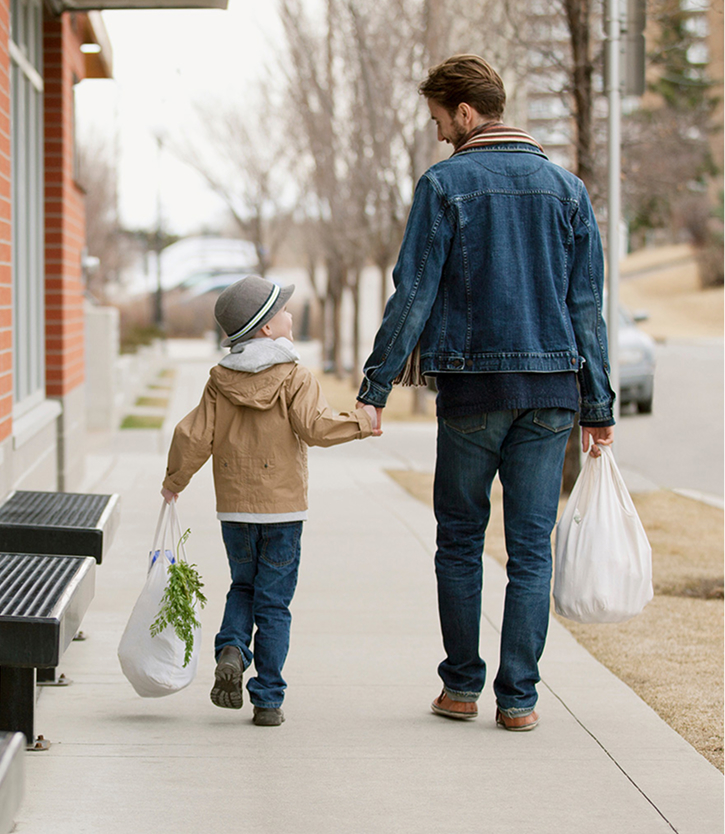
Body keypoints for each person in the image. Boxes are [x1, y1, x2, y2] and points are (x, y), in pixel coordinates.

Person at [356, 54, 615, 731]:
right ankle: (520, 700)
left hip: (473, 391)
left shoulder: (444, 185)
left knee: (460, 540)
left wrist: (375, 386)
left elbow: (413, 292)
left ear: (465, 112)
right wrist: (599, 407)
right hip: (552, 391)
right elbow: (586, 306)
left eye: (440, 117)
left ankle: (462, 687)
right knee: (531, 548)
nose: (438, 130)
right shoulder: (568, 190)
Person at [162, 275, 380, 727]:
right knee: (274, 604)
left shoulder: (220, 381)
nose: (291, 315)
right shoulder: (295, 376)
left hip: (235, 510)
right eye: (283, 310)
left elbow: (193, 435)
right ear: (264, 327)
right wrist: (362, 422)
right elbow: (317, 428)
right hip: (283, 512)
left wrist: (174, 481)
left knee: (243, 586)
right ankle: (267, 699)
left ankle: (231, 650)